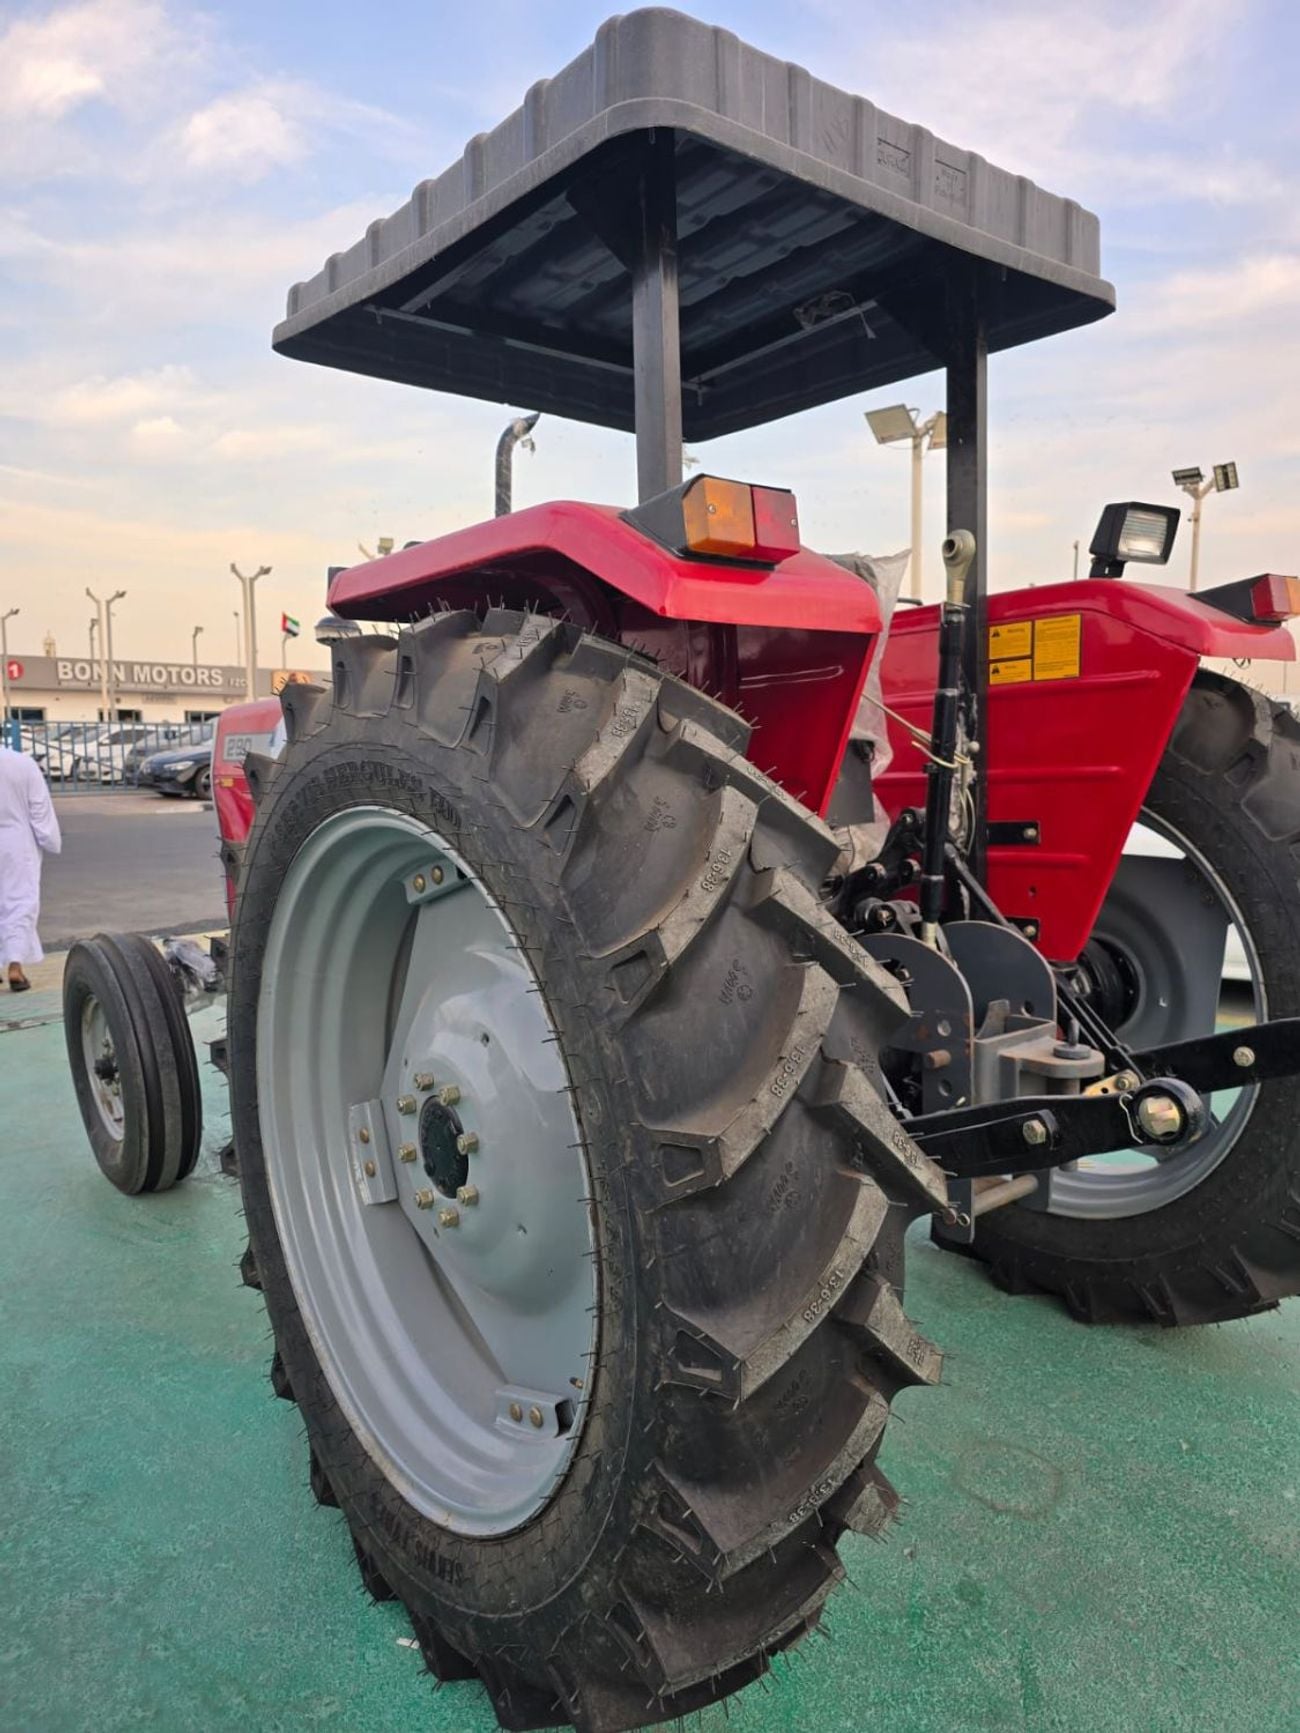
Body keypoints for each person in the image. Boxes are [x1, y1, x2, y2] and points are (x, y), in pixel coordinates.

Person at [0, 735, 62, 991]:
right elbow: (40, 810)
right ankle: (15, 968)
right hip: (17, 843)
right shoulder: (22, 764)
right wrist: (49, 841)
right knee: (19, 902)